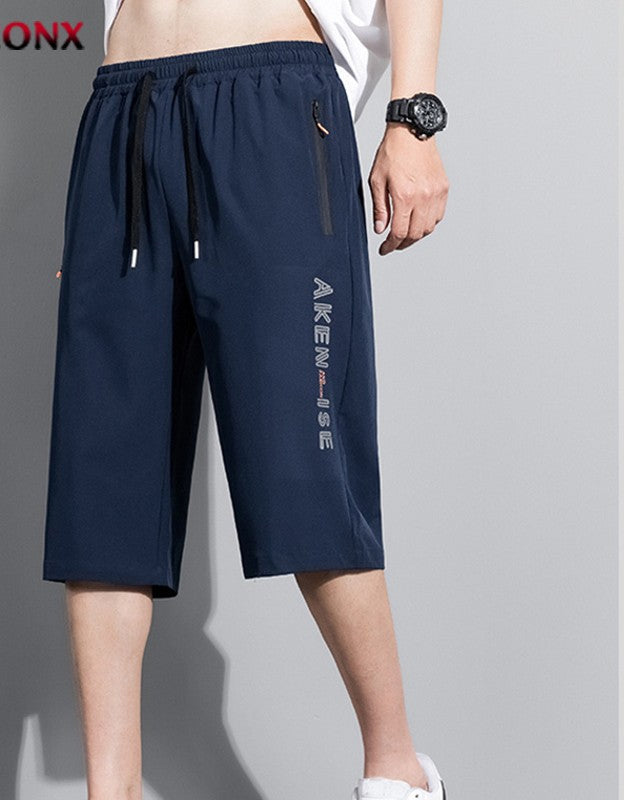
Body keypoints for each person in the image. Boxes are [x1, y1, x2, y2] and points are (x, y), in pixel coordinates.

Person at [42, 0, 450, 798]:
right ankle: (109, 790)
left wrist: (414, 117)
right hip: (123, 110)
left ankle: (397, 769)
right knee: (103, 482)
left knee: (301, 459)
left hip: (269, 101)